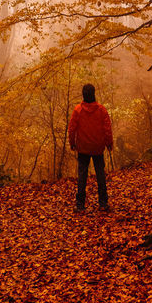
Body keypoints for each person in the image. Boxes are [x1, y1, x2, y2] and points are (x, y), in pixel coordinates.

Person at [67, 82, 113, 212]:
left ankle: (80, 205)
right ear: (94, 94)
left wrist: (72, 143)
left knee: (82, 176)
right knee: (100, 175)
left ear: (83, 95)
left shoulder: (78, 110)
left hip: (83, 148)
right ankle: (103, 204)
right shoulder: (101, 110)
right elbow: (107, 129)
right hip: (98, 147)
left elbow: (72, 130)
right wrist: (109, 143)